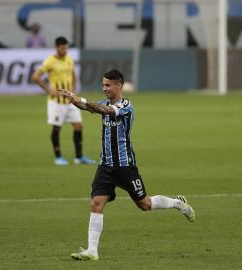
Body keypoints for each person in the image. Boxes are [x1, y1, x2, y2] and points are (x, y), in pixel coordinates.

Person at [59, 69, 195, 261]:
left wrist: (80, 99)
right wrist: (74, 100)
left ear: (118, 85)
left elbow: (103, 110)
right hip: (105, 165)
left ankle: (177, 203)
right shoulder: (104, 103)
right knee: (97, 203)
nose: (104, 88)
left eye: (107, 85)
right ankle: (92, 250)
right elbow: (91, 108)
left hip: (125, 166)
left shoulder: (126, 106)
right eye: (103, 84)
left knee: (144, 204)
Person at [32, 36, 95, 165]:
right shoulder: (49, 61)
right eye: (62, 48)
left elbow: (73, 74)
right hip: (56, 102)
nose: (65, 50)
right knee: (57, 128)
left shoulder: (69, 59)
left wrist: (74, 89)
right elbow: (36, 77)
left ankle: (79, 157)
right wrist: (49, 90)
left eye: (66, 47)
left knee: (78, 126)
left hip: (70, 101)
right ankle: (58, 157)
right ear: (56, 47)